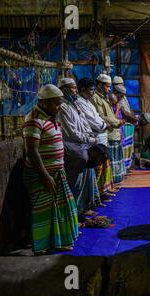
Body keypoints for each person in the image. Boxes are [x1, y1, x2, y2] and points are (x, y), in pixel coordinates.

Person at [22, 84, 79, 254]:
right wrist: (45, 176)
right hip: (41, 174)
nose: (59, 106)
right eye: (56, 103)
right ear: (45, 103)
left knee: (61, 208)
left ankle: (58, 242)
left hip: (56, 172)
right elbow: (32, 152)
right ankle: (42, 247)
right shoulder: (34, 120)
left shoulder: (51, 117)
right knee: (44, 213)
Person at [57, 78, 102, 216]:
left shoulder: (74, 105)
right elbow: (71, 133)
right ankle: (73, 210)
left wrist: (90, 138)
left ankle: (83, 207)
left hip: (83, 144)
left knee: (86, 176)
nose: (76, 91)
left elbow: (84, 125)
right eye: (73, 88)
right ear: (64, 90)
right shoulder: (63, 107)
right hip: (71, 147)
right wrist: (90, 139)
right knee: (75, 180)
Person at [76, 78, 115, 199]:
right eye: (91, 90)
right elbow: (93, 121)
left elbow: (97, 116)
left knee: (103, 166)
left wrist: (103, 124)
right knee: (96, 169)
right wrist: (104, 125)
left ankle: (101, 192)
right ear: (82, 90)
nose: (92, 92)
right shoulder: (79, 102)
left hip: (100, 135)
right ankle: (96, 195)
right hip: (94, 138)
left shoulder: (88, 102)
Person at [91, 74, 126, 184]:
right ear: (100, 85)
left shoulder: (104, 97)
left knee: (109, 164)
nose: (109, 89)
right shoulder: (95, 98)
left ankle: (109, 186)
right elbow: (101, 116)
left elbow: (109, 115)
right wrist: (117, 122)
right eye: (107, 86)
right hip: (103, 133)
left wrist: (116, 122)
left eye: (109, 87)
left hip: (109, 133)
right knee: (104, 164)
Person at [113, 76, 138, 170]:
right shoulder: (115, 98)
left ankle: (127, 166)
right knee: (123, 147)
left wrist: (134, 118)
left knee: (128, 147)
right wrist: (135, 119)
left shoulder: (123, 96)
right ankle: (123, 167)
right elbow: (124, 112)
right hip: (124, 125)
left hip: (129, 124)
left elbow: (129, 109)